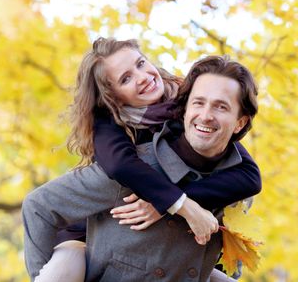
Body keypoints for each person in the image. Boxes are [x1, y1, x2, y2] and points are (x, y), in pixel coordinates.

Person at [23, 39, 261, 281]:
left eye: (140, 64)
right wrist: (178, 204)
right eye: (125, 79)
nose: (142, 77)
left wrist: (164, 204)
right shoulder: (110, 125)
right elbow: (119, 165)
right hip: (85, 239)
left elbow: (249, 176)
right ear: (112, 96)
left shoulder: (185, 105)